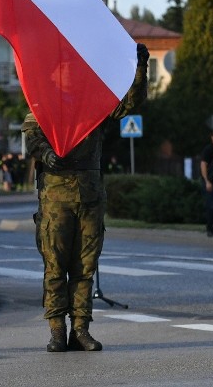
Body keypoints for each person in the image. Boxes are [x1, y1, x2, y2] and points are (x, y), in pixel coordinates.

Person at [24, 43, 148, 353]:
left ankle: (81, 329)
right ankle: (56, 330)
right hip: (56, 198)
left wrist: (140, 69)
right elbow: (31, 137)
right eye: (68, 67)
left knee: (84, 268)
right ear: (55, 73)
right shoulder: (42, 104)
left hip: (90, 196)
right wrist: (47, 154)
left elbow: (130, 103)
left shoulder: (93, 104)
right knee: (55, 268)